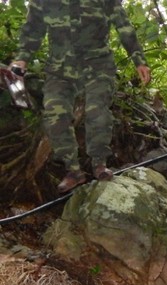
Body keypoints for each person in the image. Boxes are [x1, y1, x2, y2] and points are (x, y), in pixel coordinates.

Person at [10, 0, 151, 193]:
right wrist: (22, 59)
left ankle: (99, 164)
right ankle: (73, 171)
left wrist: (139, 60)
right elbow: (33, 29)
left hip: (98, 66)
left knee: (97, 111)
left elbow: (123, 25)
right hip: (60, 68)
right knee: (54, 114)